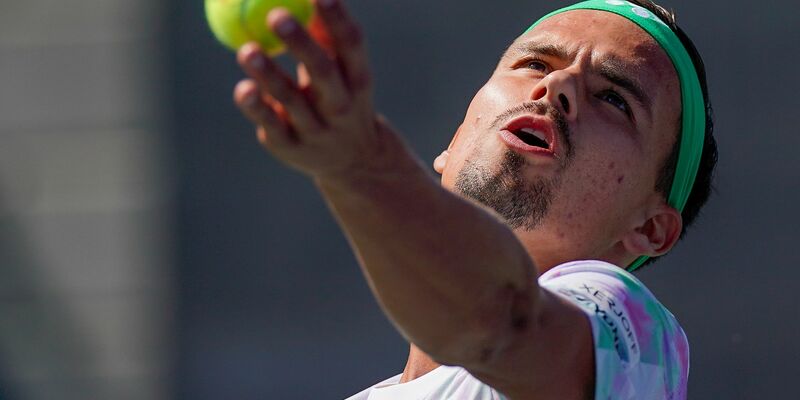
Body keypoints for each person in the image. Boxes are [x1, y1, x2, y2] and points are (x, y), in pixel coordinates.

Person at [231, 0, 717, 398]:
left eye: (615, 99)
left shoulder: (637, 342)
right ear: (454, 141)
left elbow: (503, 323)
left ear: (650, 228)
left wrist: (361, 165)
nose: (557, 85)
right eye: (533, 64)